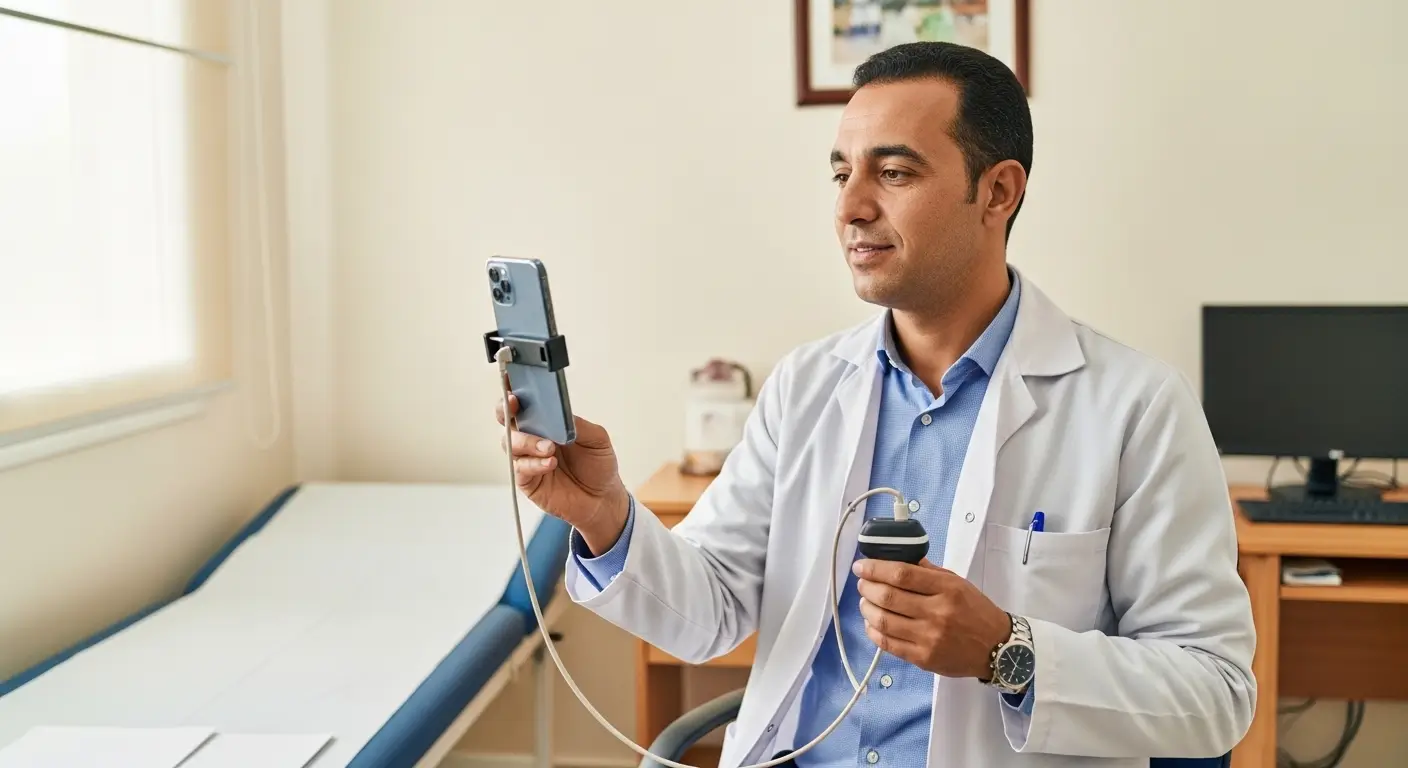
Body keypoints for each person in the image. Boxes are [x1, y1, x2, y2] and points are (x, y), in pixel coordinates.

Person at [497, 41, 1256, 768]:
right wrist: (604, 515)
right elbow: (711, 611)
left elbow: (1216, 694)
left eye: (893, 173)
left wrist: (1006, 650)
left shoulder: (1136, 407)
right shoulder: (806, 385)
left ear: (998, 192)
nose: (851, 207)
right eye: (841, 174)